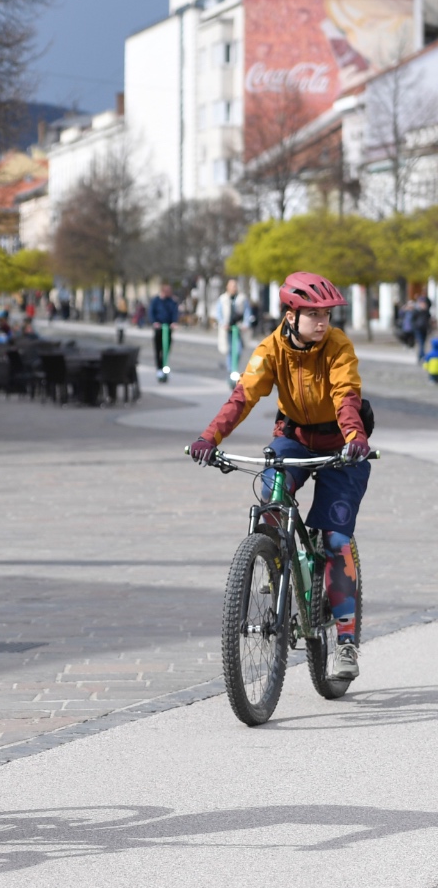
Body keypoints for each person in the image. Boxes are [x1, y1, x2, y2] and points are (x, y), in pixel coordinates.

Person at [188, 272, 369, 681]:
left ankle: (345, 644)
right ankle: (273, 562)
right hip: (294, 440)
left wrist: (356, 436)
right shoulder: (270, 349)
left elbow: (346, 395)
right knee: (270, 502)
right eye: (312, 315)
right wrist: (208, 437)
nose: (322, 323)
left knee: (336, 540)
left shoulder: (338, 346)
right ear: (291, 315)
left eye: (326, 314)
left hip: (343, 446)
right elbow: (244, 395)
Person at [215, 279, 248, 383]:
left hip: (238, 329)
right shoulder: (223, 299)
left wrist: (245, 324)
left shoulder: (242, 298)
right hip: (227, 329)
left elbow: (247, 312)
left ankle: (234, 369)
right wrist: (222, 323)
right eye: (232, 286)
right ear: (227, 287)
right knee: (229, 350)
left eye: (235, 286)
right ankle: (231, 371)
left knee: (238, 350)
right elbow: (218, 313)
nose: (234, 288)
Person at [148, 281, 179, 382]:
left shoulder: (171, 301)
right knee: (158, 349)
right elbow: (151, 312)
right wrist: (154, 322)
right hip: (159, 328)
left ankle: (165, 367)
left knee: (167, 348)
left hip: (168, 328)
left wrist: (174, 322)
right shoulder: (156, 300)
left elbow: (175, 312)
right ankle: (159, 368)